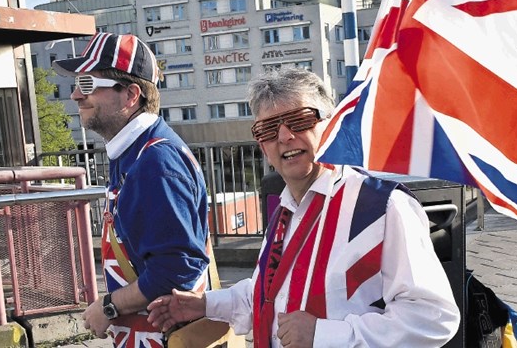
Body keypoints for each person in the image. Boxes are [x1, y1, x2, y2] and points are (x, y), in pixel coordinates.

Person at [147, 67, 460, 347]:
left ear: (331, 123)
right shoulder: (284, 212)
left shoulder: (382, 206)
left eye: (299, 120)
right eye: (268, 129)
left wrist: (324, 335)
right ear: (261, 145)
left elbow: (433, 318)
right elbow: (270, 295)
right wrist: (203, 305)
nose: (284, 136)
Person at [52, 32, 210, 347]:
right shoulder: (133, 152)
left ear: (130, 95)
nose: (75, 96)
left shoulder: (154, 163)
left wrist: (108, 306)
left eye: (87, 85)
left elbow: (177, 269)